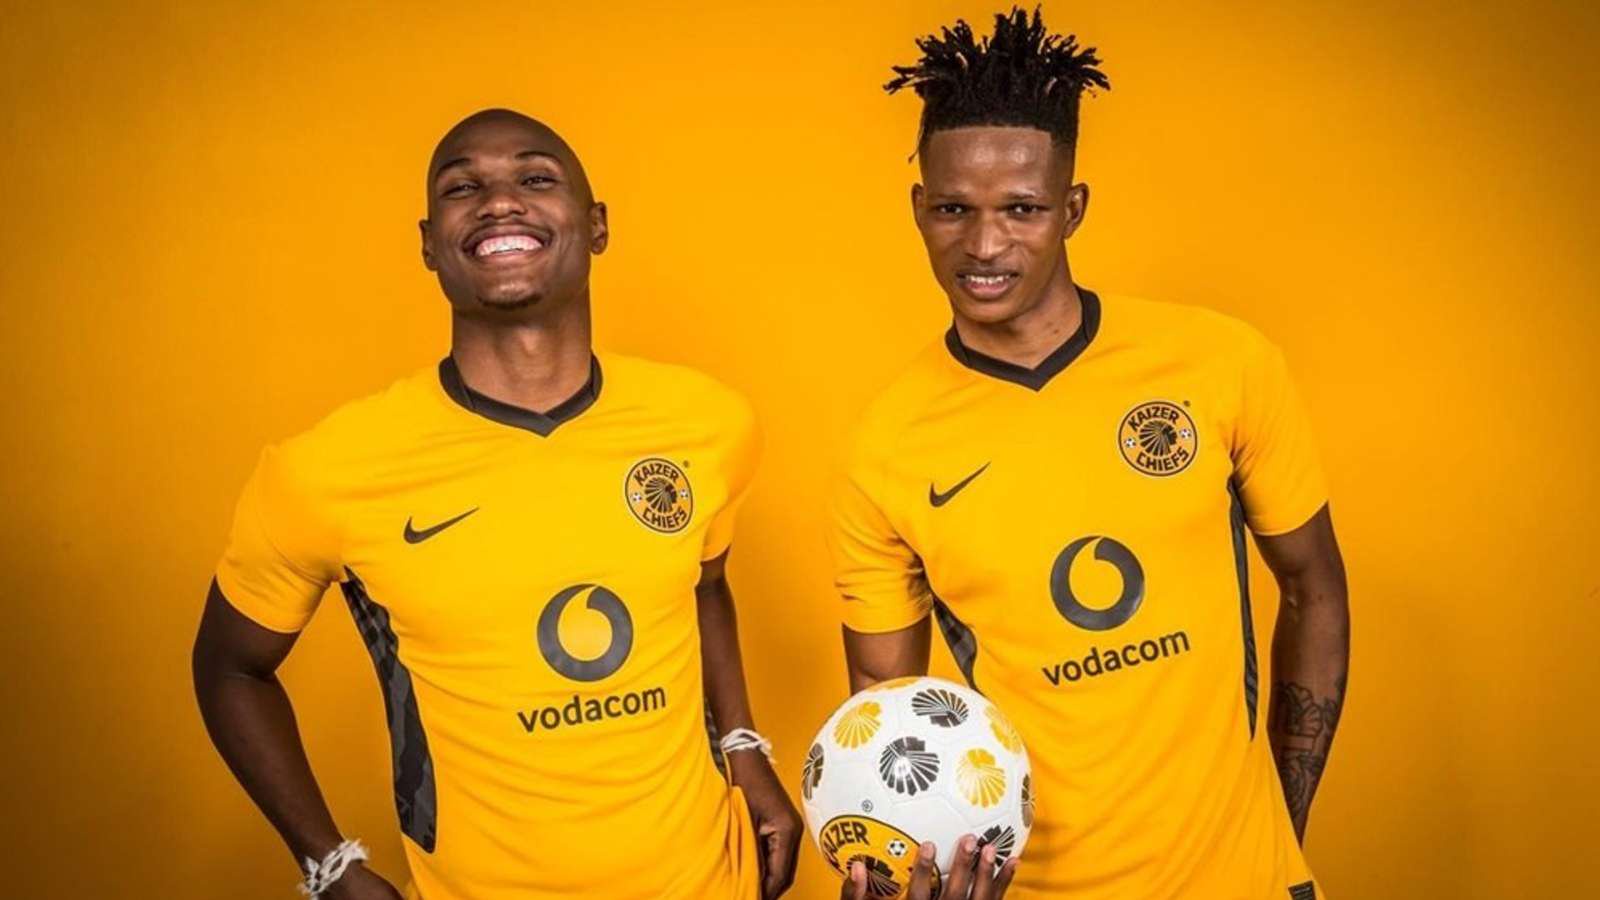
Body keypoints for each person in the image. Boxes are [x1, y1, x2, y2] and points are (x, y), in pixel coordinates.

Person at [192, 108, 801, 900]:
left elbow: (705, 585)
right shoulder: (328, 470)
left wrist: (745, 746)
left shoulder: (707, 422)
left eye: (535, 178)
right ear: (428, 245)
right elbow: (230, 668)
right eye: (462, 188)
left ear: (597, 224)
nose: (500, 201)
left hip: (714, 880)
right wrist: (326, 864)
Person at [829, 8, 1350, 897]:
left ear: (1071, 208)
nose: (984, 245)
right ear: (919, 208)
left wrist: (1283, 828)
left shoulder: (1220, 363)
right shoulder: (885, 447)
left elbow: (1314, 589)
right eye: (954, 209)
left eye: (1022, 209)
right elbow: (884, 723)